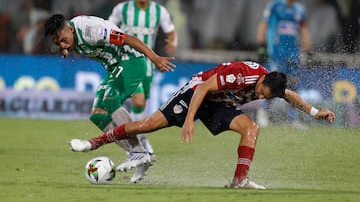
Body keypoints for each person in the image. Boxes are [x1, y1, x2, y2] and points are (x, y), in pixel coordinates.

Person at [69, 61, 336, 188]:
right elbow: (204, 87)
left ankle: (239, 181)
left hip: (218, 104)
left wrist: (315, 113)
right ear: (262, 81)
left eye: (266, 96)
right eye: (263, 93)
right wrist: (188, 120)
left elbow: (291, 97)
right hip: (196, 92)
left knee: (251, 128)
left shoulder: (272, 86)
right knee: (146, 125)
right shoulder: (242, 75)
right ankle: (95, 143)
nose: (261, 97)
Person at [44, 14, 175, 183]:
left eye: (63, 40)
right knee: (98, 115)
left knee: (110, 101)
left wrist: (155, 58)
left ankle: (137, 151)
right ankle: (140, 156)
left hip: (131, 62)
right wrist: (64, 48)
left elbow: (129, 39)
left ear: (70, 28)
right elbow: (65, 43)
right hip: (114, 69)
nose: (62, 45)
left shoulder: (92, 31)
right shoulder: (69, 36)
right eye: (58, 43)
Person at [108, 0, 177, 158]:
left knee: (141, 104)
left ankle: (137, 137)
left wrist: (172, 44)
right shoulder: (121, 9)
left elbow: (171, 31)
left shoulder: (159, 11)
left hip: (147, 63)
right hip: (126, 60)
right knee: (138, 101)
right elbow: (108, 28)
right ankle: (135, 139)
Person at [257, 0, 313, 126]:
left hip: (293, 54)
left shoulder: (300, 10)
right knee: (272, 84)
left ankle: (293, 118)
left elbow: (304, 30)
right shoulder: (274, 6)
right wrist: (261, 44)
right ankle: (263, 112)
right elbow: (264, 24)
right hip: (277, 52)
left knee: (293, 85)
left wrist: (308, 48)